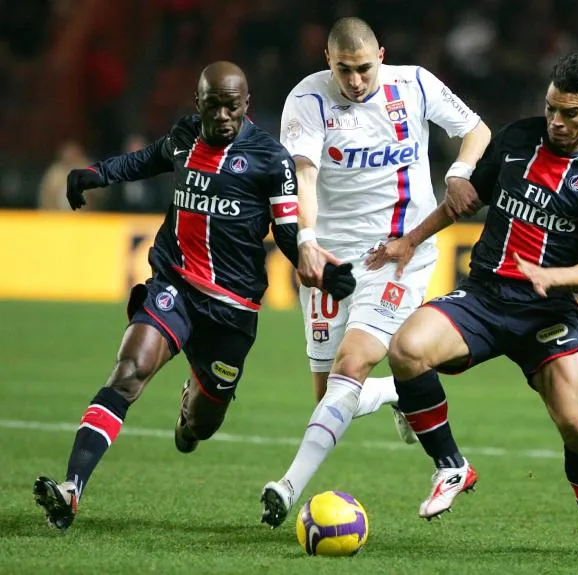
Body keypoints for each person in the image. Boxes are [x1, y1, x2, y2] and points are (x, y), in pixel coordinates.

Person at [32, 61, 355, 531]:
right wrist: (97, 174)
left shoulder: (271, 160)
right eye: (213, 105)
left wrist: (323, 273)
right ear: (197, 103)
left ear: (247, 105)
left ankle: (189, 414)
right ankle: (72, 489)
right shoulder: (186, 136)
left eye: (232, 106)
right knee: (129, 372)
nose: (223, 115)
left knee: (202, 426)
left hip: (232, 311)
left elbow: (288, 235)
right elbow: (148, 160)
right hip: (175, 286)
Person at [369, 49, 578, 555]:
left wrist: (553, 277)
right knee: (406, 349)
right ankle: (451, 466)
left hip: (547, 314)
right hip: (485, 296)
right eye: (552, 107)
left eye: (570, 113)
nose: (556, 120)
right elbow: (464, 200)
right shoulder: (517, 139)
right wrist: (410, 240)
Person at [260, 17, 491, 528]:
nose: (357, 80)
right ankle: (400, 391)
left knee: (352, 363)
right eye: (345, 69)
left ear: (381, 56)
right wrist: (307, 242)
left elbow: (477, 131)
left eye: (365, 68)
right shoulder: (308, 101)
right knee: (331, 398)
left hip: (397, 255)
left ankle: (287, 487)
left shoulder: (415, 85)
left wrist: (457, 172)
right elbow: (305, 174)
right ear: (328, 61)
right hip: (333, 262)